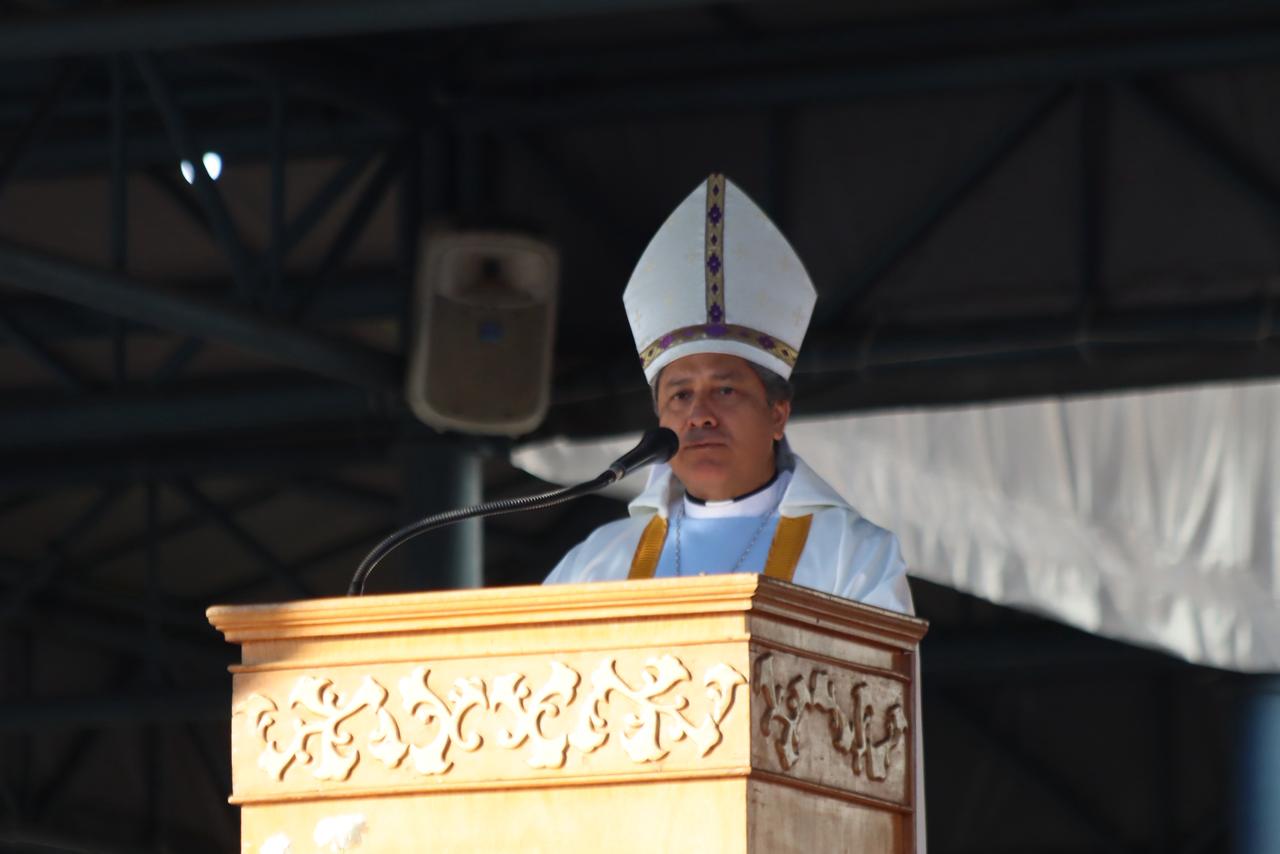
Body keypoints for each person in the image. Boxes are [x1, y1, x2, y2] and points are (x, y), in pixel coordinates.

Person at [543, 173, 911, 614]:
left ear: (777, 414)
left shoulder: (851, 555)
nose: (700, 414)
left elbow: (887, 684)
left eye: (725, 389)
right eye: (680, 396)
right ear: (659, 421)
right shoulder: (596, 568)